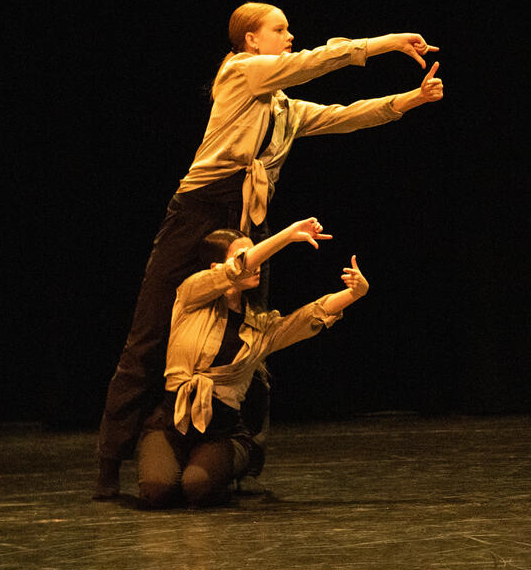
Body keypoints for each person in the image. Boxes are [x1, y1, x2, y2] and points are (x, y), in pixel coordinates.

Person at [95, 1, 443, 498]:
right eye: (278, 29)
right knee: (151, 332)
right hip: (199, 211)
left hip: (246, 224)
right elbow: (314, 62)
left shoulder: (283, 108)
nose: (289, 35)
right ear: (251, 40)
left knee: (251, 331)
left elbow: (344, 117)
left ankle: (235, 443)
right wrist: (386, 42)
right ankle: (111, 459)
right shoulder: (240, 72)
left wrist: (412, 99)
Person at [136, 216, 367, 508]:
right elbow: (239, 268)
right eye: (244, 255)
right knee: (157, 492)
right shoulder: (191, 295)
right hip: (171, 424)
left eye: (254, 253)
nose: (255, 261)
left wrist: (354, 294)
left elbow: (306, 318)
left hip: (221, 433)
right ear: (215, 268)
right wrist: (286, 236)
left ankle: (237, 460)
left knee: (198, 488)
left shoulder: (259, 325)